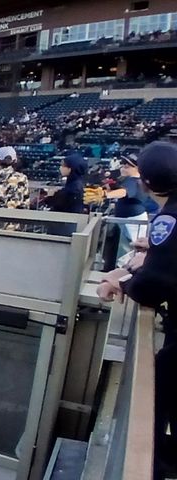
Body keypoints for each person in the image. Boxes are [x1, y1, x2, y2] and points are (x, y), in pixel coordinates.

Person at [94, 142, 177, 476]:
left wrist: (122, 282)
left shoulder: (168, 218)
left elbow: (153, 288)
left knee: (161, 386)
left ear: (147, 182)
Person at [103, 153, 150, 268]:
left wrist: (104, 194)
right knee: (124, 250)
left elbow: (124, 192)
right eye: (123, 164)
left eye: (128, 166)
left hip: (133, 221)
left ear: (137, 168)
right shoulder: (130, 180)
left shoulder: (134, 180)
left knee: (129, 251)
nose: (124, 167)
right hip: (128, 220)